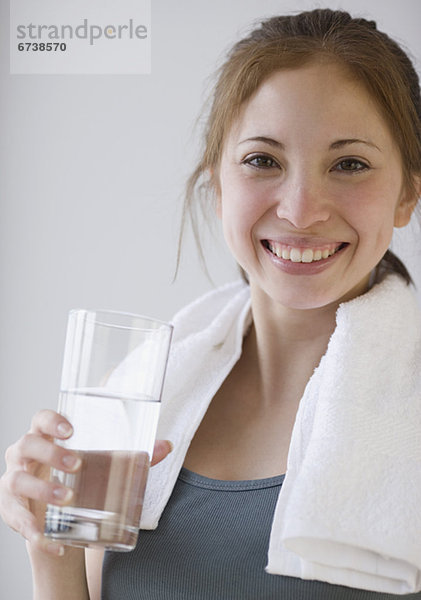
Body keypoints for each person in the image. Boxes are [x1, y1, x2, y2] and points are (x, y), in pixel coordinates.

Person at [1, 7, 421, 599]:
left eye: (349, 164)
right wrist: (51, 546)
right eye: (262, 160)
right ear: (219, 184)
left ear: (407, 194)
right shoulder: (150, 393)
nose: (302, 210)